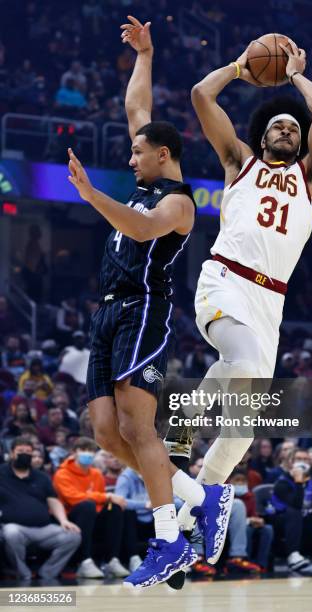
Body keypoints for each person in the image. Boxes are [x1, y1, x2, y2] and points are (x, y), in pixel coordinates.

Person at [66, 16, 233, 589]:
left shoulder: (179, 203)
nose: (130, 157)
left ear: (163, 155)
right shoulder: (146, 173)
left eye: (139, 153)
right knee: (105, 432)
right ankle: (200, 500)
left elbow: (140, 231)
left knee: (140, 431)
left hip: (144, 310)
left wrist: (91, 194)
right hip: (108, 312)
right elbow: (138, 106)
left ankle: (168, 541)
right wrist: (146, 54)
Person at [171, 34, 312, 538]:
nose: (286, 129)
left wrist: (294, 76)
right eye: (277, 126)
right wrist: (240, 66)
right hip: (225, 278)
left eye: (292, 126)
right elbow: (202, 94)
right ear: (262, 137)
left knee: (242, 428)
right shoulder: (238, 163)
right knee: (239, 361)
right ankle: (182, 422)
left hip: (270, 304)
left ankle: (183, 525)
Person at [0, 437, 81, 582]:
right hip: (15, 527)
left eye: (28, 451)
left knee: (73, 536)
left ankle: (47, 573)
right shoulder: (1, 473)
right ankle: (23, 574)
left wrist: (63, 520)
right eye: (20, 451)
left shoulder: (42, 477)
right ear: (11, 453)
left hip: (43, 528)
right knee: (10, 533)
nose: (25, 454)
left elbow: (53, 501)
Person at [53, 437, 128, 579]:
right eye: (83, 450)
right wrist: (106, 496)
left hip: (93, 513)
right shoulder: (62, 473)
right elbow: (73, 498)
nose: (87, 454)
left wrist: (103, 498)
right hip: (70, 516)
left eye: (91, 451)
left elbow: (98, 501)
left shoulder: (96, 473)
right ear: (74, 453)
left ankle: (112, 560)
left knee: (115, 508)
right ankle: (84, 562)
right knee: (88, 505)